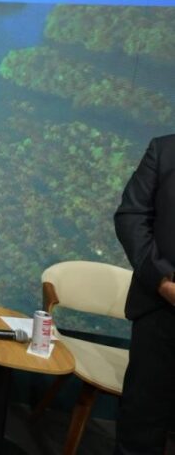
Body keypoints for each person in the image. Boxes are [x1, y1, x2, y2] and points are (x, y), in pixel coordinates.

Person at [114, 134, 175, 455]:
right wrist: (163, 282)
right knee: (141, 429)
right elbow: (131, 216)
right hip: (161, 310)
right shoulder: (164, 150)